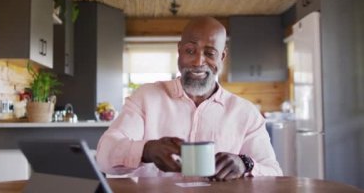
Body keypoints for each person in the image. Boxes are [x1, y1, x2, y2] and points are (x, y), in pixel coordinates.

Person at [96, 17, 282, 181]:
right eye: (190, 51)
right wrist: (147, 150)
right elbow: (104, 156)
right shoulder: (145, 97)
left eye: (209, 53)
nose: (198, 62)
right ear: (179, 51)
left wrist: (245, 164)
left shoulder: (245, 113)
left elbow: (273, 172)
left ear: (222, 57)